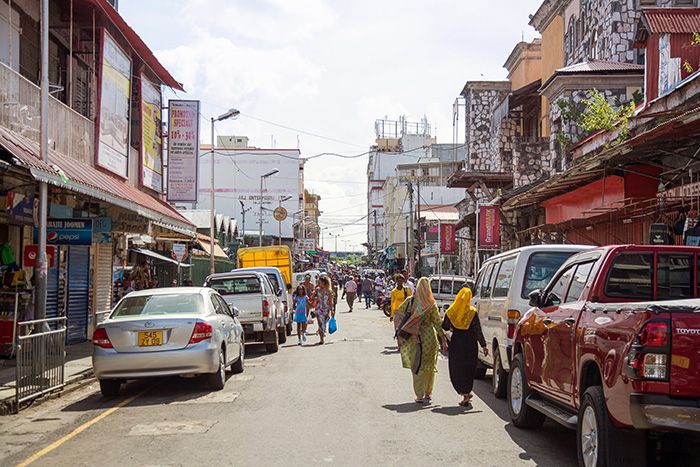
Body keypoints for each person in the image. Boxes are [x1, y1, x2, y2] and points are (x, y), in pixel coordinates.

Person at [395, 277, 447, 403]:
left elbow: (398, 314)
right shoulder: (431, 304)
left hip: (415, 338)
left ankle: (419, 394)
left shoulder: (411, 301)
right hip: (430, 339)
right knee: (429, 366)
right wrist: (443, 338)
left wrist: (401, 329)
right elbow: (437, 322)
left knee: (417, 365)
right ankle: (428, 393)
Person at [442, 286, 488, 407]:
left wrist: (453, 327)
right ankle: (467, 392)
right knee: (468, 369)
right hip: (471, 344)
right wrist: (484, 345)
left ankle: (464, 393)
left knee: (456, 368)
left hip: (457, 343)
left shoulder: (451, 311)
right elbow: (478, 330)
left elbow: (445, 326)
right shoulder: (472, 312)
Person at [315, 277, 334, 345]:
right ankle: (321, 339)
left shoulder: (329, 291)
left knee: (324, 324)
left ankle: (321, 332)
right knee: (320, 323)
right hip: (318, 309)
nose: (318, 283)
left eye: (320, 282)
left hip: (326, 309)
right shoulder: (317, 290)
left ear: (323, 283)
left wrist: (332, 310)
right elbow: (315, 298)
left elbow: (330, 301)